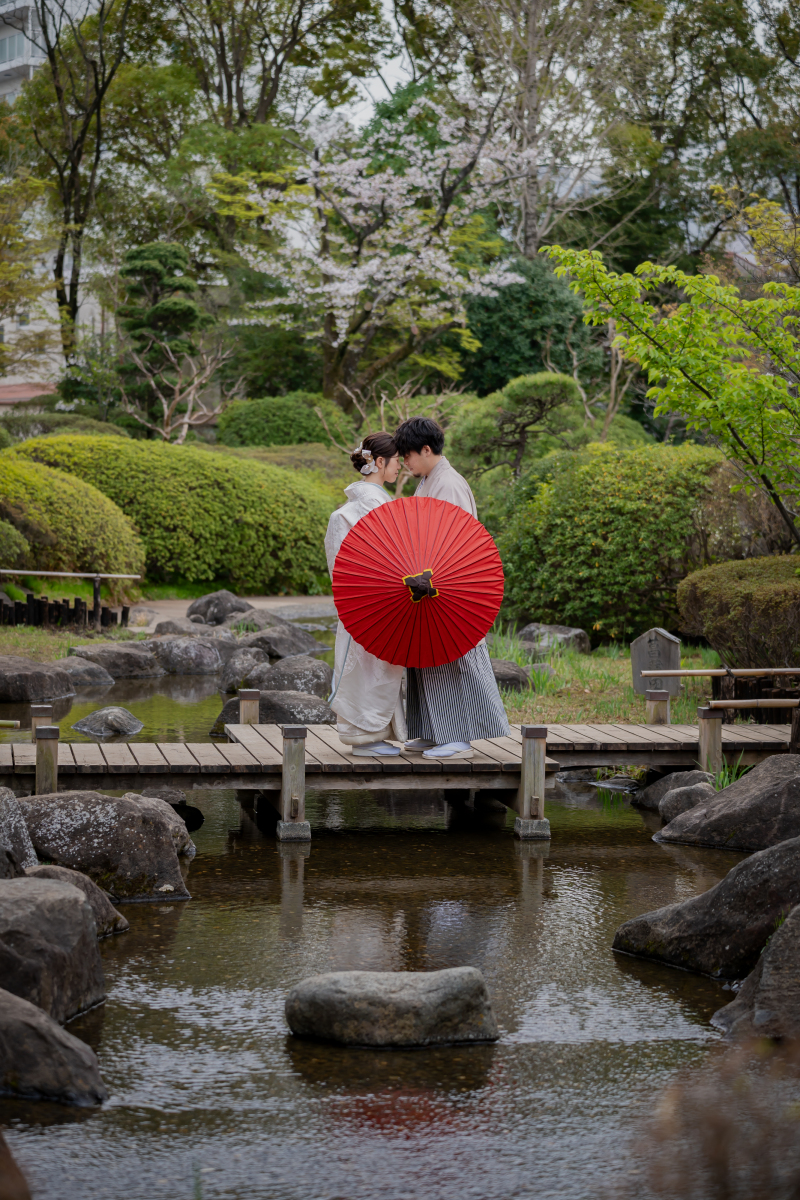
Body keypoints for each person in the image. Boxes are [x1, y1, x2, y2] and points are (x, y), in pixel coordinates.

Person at [393, 415, 510, 759]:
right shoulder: (429, 479)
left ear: (426, 449)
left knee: (452, 658)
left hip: (447, 584)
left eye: (408, 456)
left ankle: (459, 735)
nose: (405, 463)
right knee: (426, 657)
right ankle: (432, 730)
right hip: (426, 582)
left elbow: (454, 542)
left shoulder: (449, 484)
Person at [324, 432, 407, 756]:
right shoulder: (374, 505)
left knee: (371, 665)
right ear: (381, 462)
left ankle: (370, 733)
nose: (400, 466)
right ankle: (365, 736)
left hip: (360, 600)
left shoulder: (356, 506)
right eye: (397, 460)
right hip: (378, 598)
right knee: (374, 665)